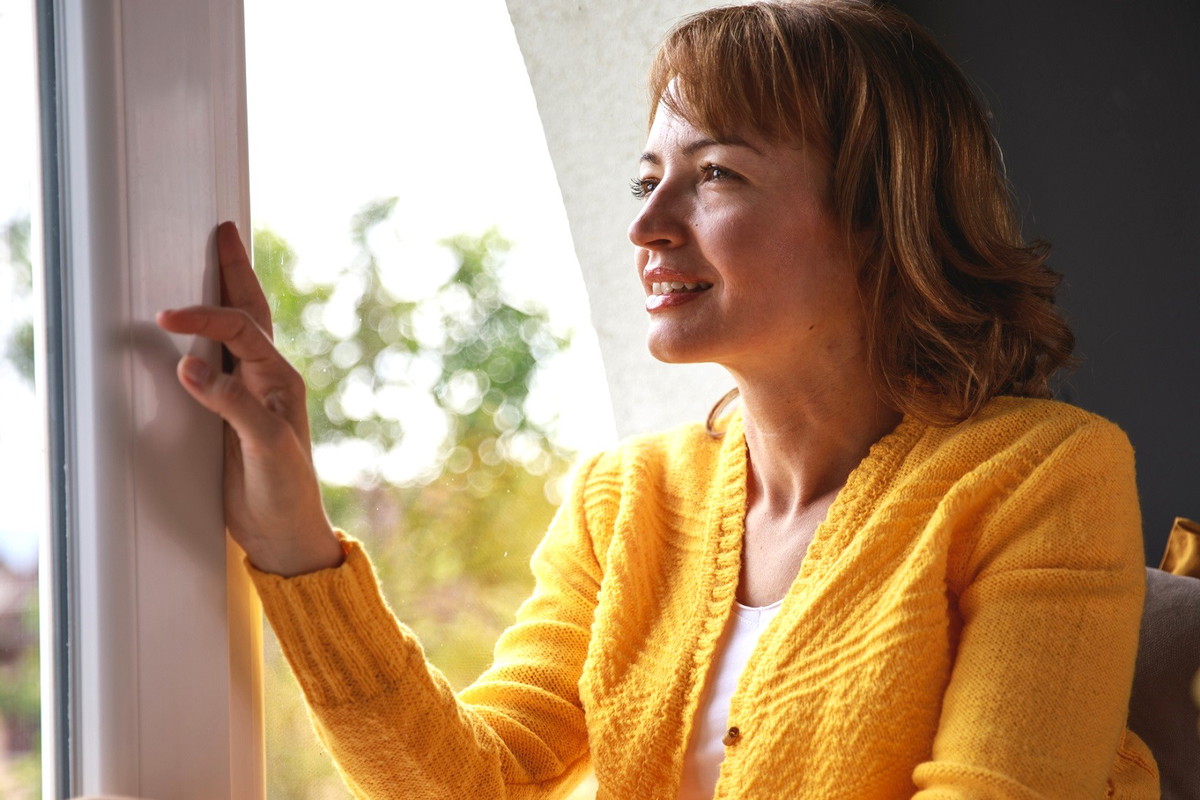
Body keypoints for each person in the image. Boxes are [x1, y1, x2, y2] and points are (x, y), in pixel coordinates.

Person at [156, 1, 1158, 797]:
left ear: (875, 210)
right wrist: (295, 531)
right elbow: (475, 782)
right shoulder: (625, 498)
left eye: (715, 173)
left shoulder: (1041, 473)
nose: (645, 223)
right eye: (646, 177)